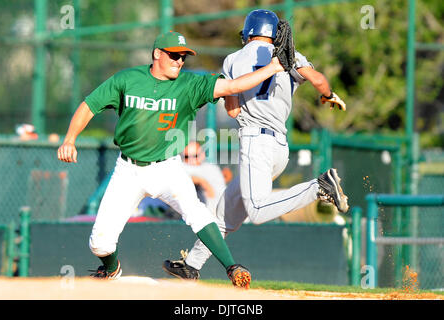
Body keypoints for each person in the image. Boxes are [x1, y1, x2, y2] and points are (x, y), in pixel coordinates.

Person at [57, 30, 285, 288]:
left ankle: (232, 268)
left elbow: (232, 86)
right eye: (174, 55)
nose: (179, 61)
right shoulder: (127, 79)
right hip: (128, 170)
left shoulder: (189, 84)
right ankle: (111, 269)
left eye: (184, 57)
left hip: (167, 168)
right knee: (99, 243)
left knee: (197, 213)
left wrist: (274, 67)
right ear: (157, 54)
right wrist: (69, 140)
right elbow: (90, 105)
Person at [162, 10, 349, 281]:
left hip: (255, 141)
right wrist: (329, 95)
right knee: (225, 211)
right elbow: (319, 80)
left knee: (258, 211)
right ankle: (192, 264)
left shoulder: (233, 59)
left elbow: (234, 110)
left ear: (249, 32)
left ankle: (318, 188)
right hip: (280, 146)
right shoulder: (289, 56)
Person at [182, 141, 226, 213]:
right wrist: (201, 181)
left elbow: (220, 192)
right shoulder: (182, 166)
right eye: (187, 156)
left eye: (195, 156)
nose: (190, 159)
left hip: (216, 211)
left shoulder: (212, 168)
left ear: (202, 155)